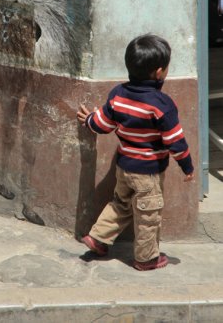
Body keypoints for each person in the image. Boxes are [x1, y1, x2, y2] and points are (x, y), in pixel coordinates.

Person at [77, 34, 194, 271]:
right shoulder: (162, 104)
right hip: (148, 174)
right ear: (159, 72)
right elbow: (175, 141)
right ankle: (146, 258)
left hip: (124, 167)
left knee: (120, 202)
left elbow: (102, 124)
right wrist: (187, 166)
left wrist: (88, 119)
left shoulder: (118, 94)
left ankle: (98, 238)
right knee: (148, 215)